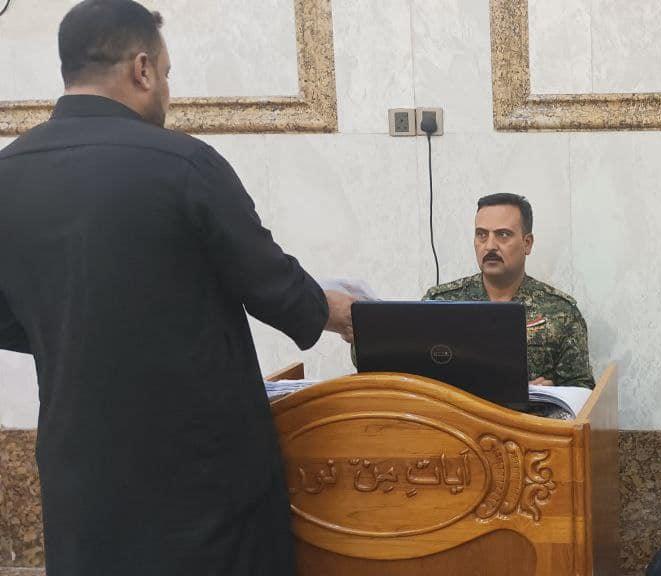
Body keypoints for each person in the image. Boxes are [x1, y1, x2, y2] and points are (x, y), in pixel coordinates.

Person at [0, 1, 355, 573]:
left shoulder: (7, 174)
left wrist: (71, 327)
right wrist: (342, 312)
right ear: (141, 68)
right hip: (201, 487)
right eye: (166, 74)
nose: (167, 90)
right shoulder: (184, 165)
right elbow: (271, 286)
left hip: (83, 485)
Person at [426, 193, 594, 389]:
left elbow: (582, 391)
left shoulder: (561, 312)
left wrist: (554, 391)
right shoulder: (439, 303)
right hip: (453, 410)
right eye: (481, 235)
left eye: (503, 235)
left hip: (530, 410)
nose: (490, 246)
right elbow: (416, 378)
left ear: (527, 243)